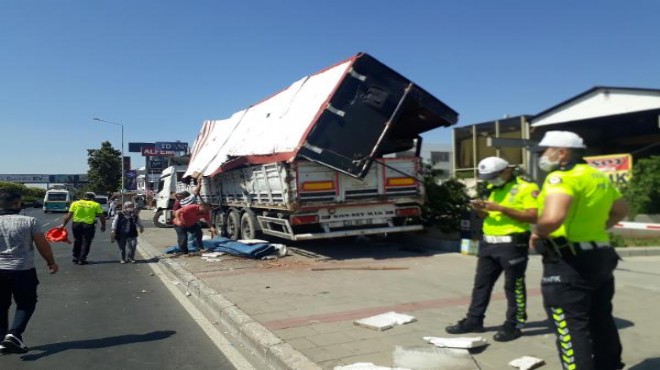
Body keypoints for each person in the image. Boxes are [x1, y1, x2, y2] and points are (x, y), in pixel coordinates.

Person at [531, 131, 628, 370]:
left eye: (544, 150)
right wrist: (598, 227)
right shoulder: (598, 176)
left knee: (571, 325)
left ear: (562, 152)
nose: (541, 155)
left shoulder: (561, 178)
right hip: (601, 256)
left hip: (568, 261)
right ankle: (611, 366)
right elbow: (620, 210)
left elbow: (553, 218)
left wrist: (538, 232)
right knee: (600, 318)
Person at [446, 156, 539, 342]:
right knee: (481, 284)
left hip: (512, 244)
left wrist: (501, 208)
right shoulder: (492, 188)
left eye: (493, 176)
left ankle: (515, 324)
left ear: (506, 170)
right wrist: (480, 208)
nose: (490, 180)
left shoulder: (527, 188)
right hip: (489, 243)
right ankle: (474, 320)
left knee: (514, 287)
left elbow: (533, 216)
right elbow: (487, 215)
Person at [0, 190, 58, 354]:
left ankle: (2, 339)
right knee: (26, 303)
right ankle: (14, 334)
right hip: (22, 270)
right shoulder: (29, 221)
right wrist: (51, 262)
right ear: (17, 204)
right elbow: (42, 244)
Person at [61, 192, 106, 265]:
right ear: (93, 198)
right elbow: (101, 216)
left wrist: (63, 225)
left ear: (84, 197)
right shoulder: (96, 204)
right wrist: (103, 226)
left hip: (76, 224)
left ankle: (75, 257)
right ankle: (82, 259)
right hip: (88, 225)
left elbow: (69, 215)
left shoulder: (75, 203)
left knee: (77, 240)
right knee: (86, 242)